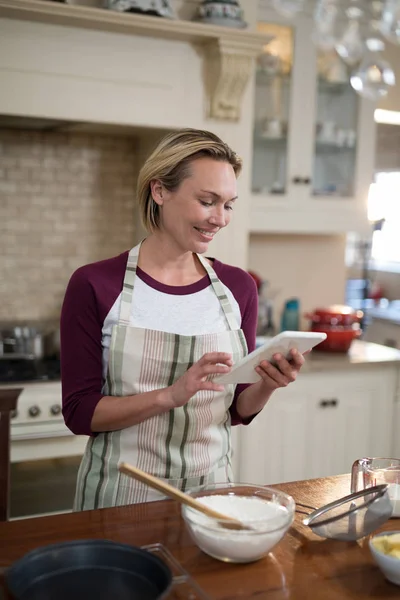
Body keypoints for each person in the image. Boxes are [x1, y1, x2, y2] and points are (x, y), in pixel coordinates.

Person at [60, 128, 305, 511]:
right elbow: (79, 413)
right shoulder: (95, 284)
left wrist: (269, 384)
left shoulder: (238, 287)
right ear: (160, 192)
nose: (220, 218)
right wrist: (170, 396)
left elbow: (237, 409)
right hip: (121, 495)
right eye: (207, 201)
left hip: (212, 496)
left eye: (228, 204)